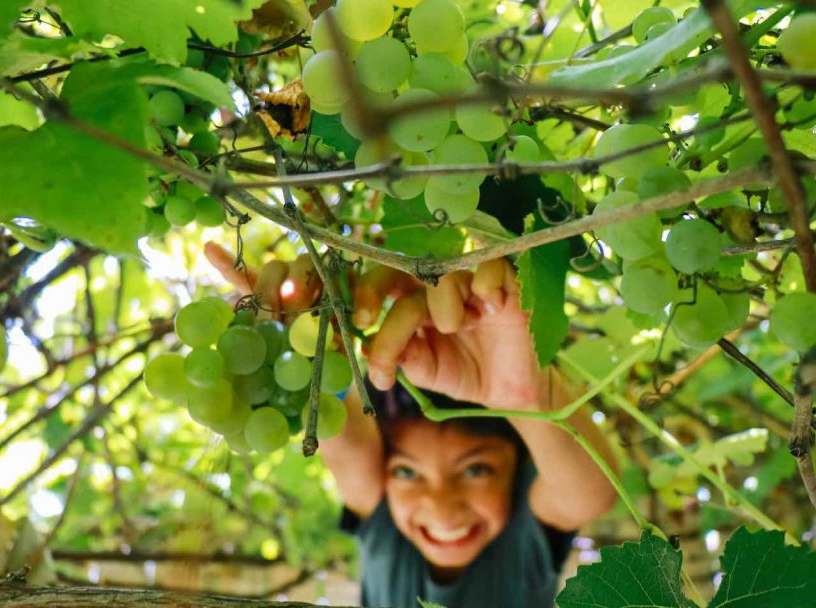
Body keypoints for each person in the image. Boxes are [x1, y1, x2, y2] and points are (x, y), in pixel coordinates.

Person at [205, 243, 620, 608]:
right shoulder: (383, 520)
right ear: (382, 472)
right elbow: (344, 440)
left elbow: (590, 494)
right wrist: (303, 348)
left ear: (520, 471)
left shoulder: (523, 535)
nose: (441, 508)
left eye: (477, 469)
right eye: (406, 471)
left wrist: (523, 397)